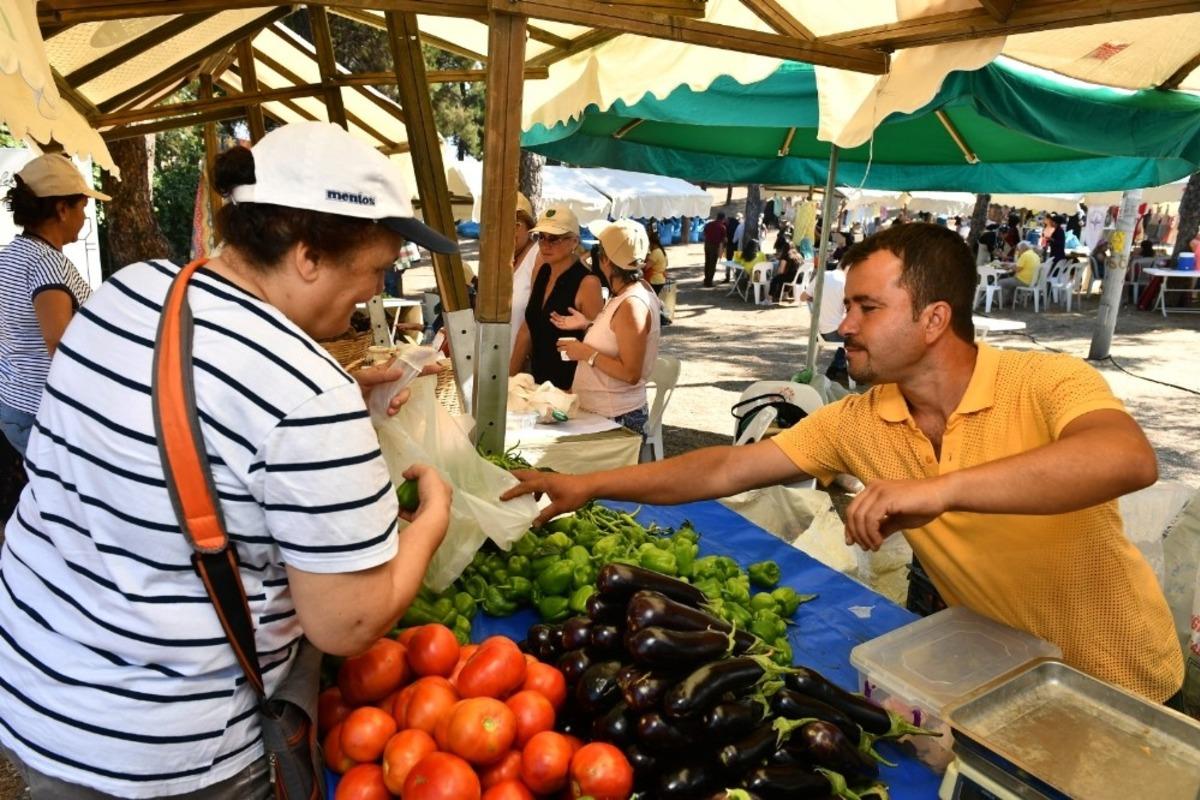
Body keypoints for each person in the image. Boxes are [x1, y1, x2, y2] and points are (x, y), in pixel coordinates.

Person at [504, 222, 1183, 706]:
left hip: (1117, 680)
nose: (843, 326)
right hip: (999, 681)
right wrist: (587, 483)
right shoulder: (860, 419)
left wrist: (940, 492)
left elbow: (1125, 457)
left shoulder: (1045, 381)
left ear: (934, 319)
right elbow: (718, 472)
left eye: (866, 307)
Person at [0, 122, 457, 797]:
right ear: (307, 254)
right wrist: (431, 521)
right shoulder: (306, 391)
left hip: (38, 699)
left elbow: (167, 408)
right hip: (170, 754)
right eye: (376, 266)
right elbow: (346, 623)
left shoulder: (130, 292)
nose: (374, 288)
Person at [0, 154, 107, 456]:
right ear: (62, 209)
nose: (84, 218)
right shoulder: (47, 263)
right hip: (45, 413)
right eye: (82, 208)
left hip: (14, 403)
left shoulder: (10, 256)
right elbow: (60, 344)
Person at [552, 219, 661, 435]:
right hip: (604, 412)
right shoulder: (627, 292)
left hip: (616, 417)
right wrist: (589, 324)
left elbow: (630, 372)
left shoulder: (631, 303)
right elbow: (620, 335)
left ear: (606, 260)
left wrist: (586, 353)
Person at [509, 205, 603, 391]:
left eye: (554, 239)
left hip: (571, 389)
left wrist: (575, 391)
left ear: (574, 241)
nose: (545, 245)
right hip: (538, 386)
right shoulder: (543, 271)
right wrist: (509, 381)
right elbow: (527, 329)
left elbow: (597, 344)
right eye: (541, 237)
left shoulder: (588, 282)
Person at [800, 259, 848, 379]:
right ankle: (838, 367)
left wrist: (817, 299)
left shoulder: (822, 276)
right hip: (834, 332)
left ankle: (838, 367)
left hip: (819, 331)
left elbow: (803, 297)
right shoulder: (846, 282)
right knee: (861, 337)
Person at [510, 192, 539, 355]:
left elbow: (532, 323)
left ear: (529, 227)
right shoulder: (503, 259)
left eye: (516, 224)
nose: (508, 230)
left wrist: (513, 372)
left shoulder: (537, 257)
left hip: (521, 367)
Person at [702, 212, 727, 287]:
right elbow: (724, 239)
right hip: (715, 246)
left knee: (707, 262)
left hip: (707, 245)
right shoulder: (722, 227)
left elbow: (704, 233)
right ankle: (709, 282)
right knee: (712, 264)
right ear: (723, 218)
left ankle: (706, 279)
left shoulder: (709, 224)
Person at [642, 226, 668, 295]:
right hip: (660, 279)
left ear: (652, 243)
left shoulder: (655, 252)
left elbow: (646, 267)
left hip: (654, 280)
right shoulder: (661, 251)